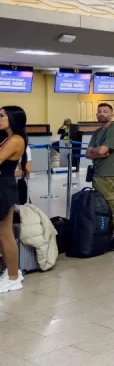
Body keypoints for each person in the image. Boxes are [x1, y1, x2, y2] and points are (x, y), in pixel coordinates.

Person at [85, 103, 114, 250]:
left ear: (112, 115)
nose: (101, 114)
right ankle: (107, 236)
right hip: (97, 174)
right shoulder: (97, 132)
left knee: (111, 208)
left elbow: (102, 150)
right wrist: (97, 152)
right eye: (99, 112)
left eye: (105, 111)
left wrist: (97, 151)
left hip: (108, 175)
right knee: (103, 208)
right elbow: (88, 153)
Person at [0, 106, 27, 293]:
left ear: (12, 118)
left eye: (2, 116)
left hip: (3, 187)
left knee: (6, 234)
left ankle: (13, 277)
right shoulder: (6, 138)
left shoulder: (16, 140)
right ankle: (10, 270)